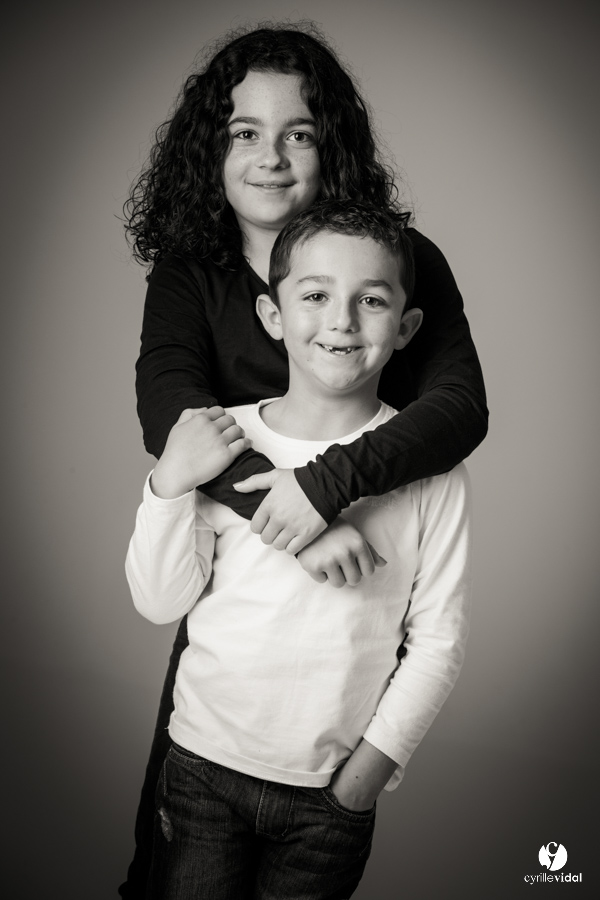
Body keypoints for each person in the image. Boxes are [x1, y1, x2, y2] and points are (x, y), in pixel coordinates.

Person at [121, 23, 487, 897]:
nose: (271, 157)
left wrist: (325, 489)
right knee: (164, 872)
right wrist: (296, 527)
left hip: (346, 648)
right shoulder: (191, 274)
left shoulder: (401, 261)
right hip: (235, 625)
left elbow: (458, 410)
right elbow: (171, 418)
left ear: (334, 146)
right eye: (244, 132)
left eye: (300, 133)